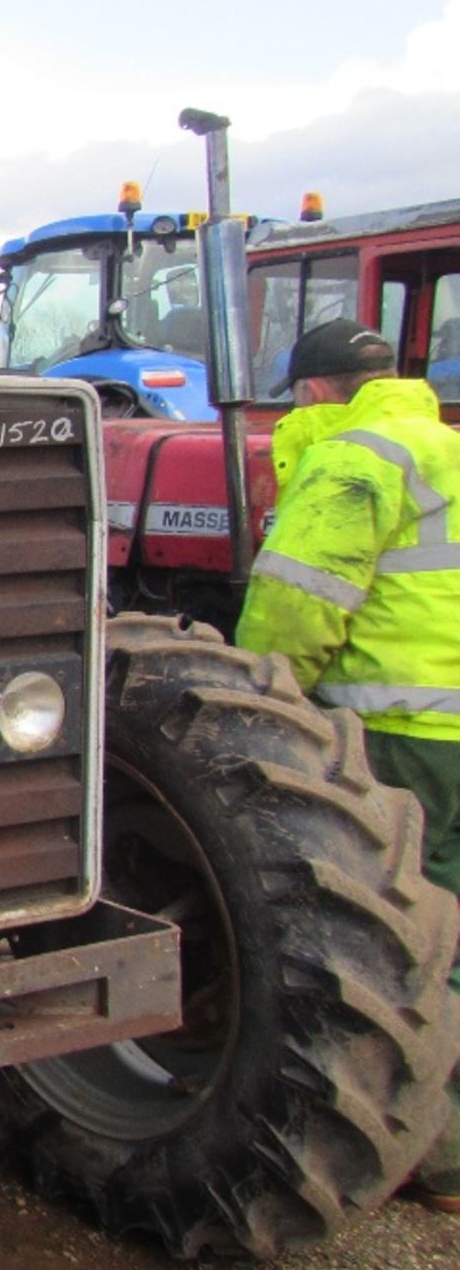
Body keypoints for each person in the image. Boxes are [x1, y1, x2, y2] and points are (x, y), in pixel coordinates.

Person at [236, 317, 460, 1210]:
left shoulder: (350, 462)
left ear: (315, 390)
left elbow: (298, 606)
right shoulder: (443, 446)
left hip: (398, 729)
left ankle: (428, 1149)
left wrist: (266, 709)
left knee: (396, 935)